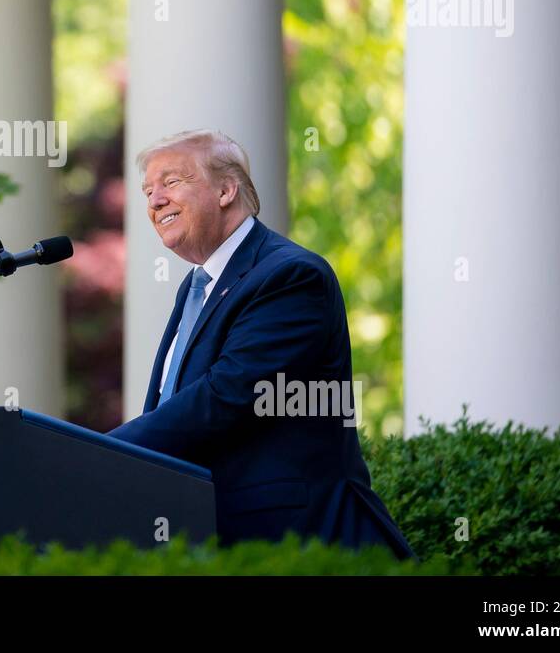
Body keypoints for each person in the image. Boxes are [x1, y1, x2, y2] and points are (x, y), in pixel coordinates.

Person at [109, 129, 415, 558]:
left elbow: (229, 394)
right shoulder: (196, 286)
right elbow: (170, 405)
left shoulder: (290, 275)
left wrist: (106, 451)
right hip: (207, 534)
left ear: (226, 190)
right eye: (147, 190)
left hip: (295, 542)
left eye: (172, 182)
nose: (155, 200)